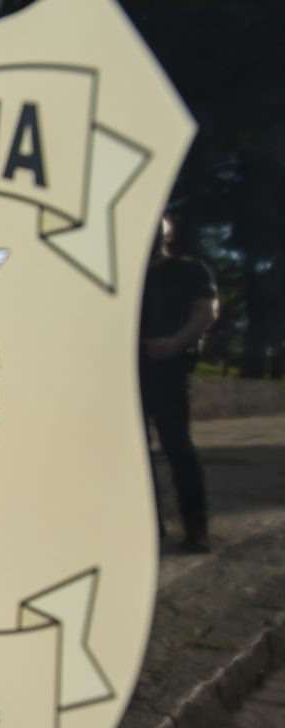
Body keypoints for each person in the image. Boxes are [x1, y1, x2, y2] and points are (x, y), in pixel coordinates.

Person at [140, 213, 219, 553]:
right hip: (129, 371)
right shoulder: (128, 276)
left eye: (158, 230)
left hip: (168, 369)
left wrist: (175, 343)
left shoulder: (189, 270)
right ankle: (149, 526)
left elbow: (206, 311)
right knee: (135, 452)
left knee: (178, 447)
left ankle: (196, 528)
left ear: (168, 235)